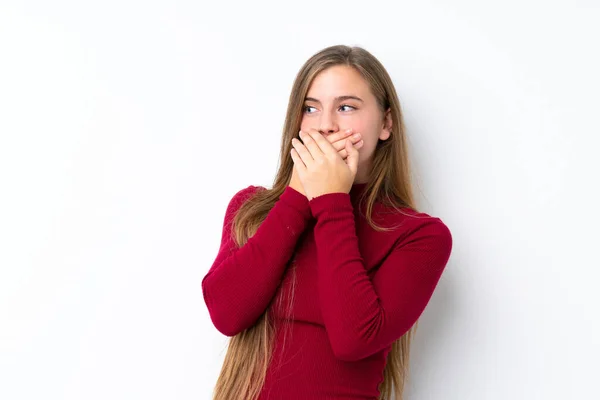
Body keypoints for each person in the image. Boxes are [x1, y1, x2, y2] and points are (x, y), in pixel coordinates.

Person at [201, 44, 453, 400]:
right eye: (310, 108)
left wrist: (332, 202)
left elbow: (354, 339)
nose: (325, 125)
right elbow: (227, 314)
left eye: (346, 107)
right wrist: (296, 198)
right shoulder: (251, 210)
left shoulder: (419, 236)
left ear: (385, 123)